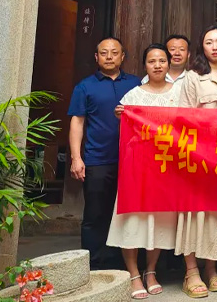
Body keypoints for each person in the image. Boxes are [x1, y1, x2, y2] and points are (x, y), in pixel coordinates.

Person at [108, 44, 181, 299]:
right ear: (145, 65)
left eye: (162, 60)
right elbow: (126, 129)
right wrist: (121, 115)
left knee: (159, 222)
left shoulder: (179, 93)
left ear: (168, 64)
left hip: (166, 167)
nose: (157, 65)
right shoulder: (133, 96)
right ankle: (133, 274)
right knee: (133, 221)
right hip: (137, 167)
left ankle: (151, 271)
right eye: (152, 61)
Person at [178, 26, 217, 298]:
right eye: (209, 42)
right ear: (201, 47)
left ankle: (211, 268)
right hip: (198, 156)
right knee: (195, 214)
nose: (215, 47)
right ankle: (191, 272)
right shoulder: (192, 76)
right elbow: (183, 117)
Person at [68, 36, 139, 270]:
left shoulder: (137, 84)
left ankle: (124, 266)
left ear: (123, 57)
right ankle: (94, 266)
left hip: (132, 161)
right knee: (95, 215)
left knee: (128, 215)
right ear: (96, 57)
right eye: (104, 53)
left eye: (114, 53)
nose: (109, 57)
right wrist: (76, 158)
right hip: (97, 160)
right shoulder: (85, 86)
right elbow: (77, 122)